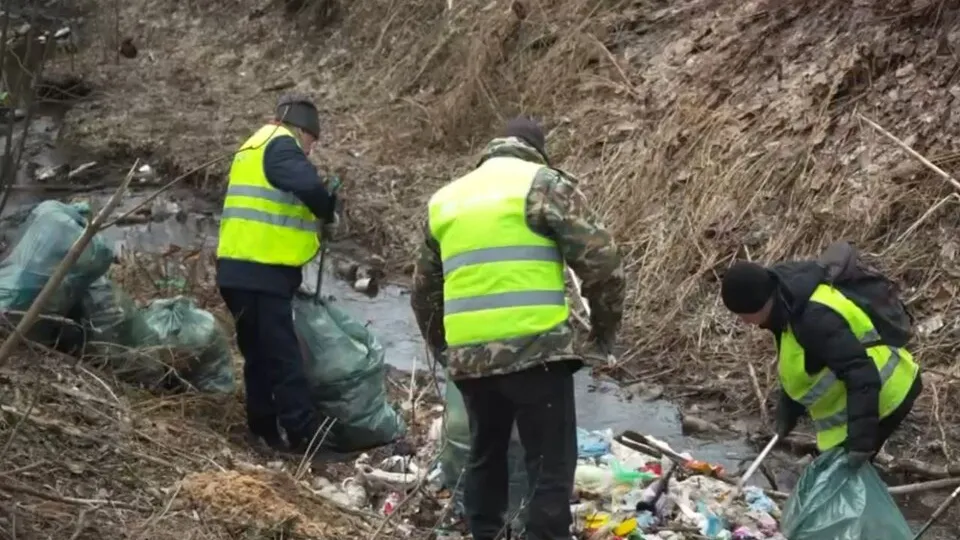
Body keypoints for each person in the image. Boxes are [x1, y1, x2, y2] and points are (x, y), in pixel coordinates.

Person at [411, 117, 625, 540]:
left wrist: (445, 349)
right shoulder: (543, 184)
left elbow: (423, 293)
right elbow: (604, 265)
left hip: (472, 359)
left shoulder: (446, 200)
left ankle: (485, 533)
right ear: (536, 151)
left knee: (485, 457)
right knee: (548, 466)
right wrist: (603, 333)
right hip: (538, 354)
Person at [216, 94, 339, 454]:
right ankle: (304, 436)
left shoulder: (252, 145)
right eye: (312, 142)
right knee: (284, 356)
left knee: (258, 354)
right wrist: (327, 209)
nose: (311, 149)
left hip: (236, 268)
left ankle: (263, 430)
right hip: (262, 271)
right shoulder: (282, 146)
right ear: (302, 131)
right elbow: (309, 187)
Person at [720, 258, 922, 467]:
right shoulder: (786, 306)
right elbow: (805, 365)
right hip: (864, 400)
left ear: (759, 303)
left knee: (840, 482)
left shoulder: (813, 318)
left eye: (744, 315)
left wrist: (860, 445)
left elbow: (861, 373)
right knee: (830, 477)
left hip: (887, 395)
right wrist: (786, 416)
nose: (744, 322)